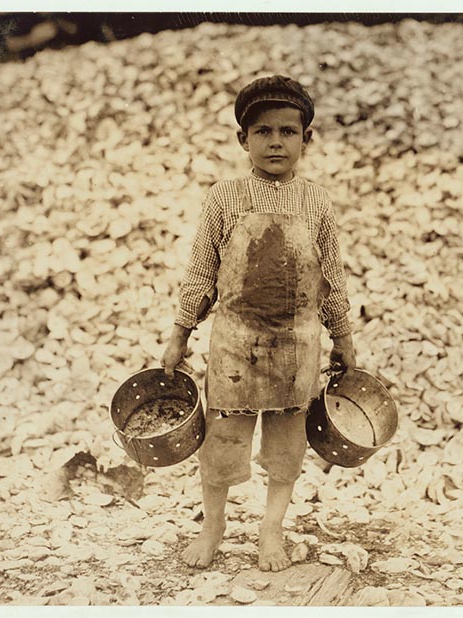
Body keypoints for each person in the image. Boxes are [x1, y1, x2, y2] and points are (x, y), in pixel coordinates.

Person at [161, 75, 356, 572]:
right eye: (263, 131)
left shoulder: (317, 202)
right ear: (242, 139)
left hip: (297, 345)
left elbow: (332, 278)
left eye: (288, 132)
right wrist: (179, 335)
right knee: (222, 441)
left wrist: (345, 340)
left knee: (287, 445)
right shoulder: (225, 197)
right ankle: (214, 526)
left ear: (306, 139)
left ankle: (271, 531)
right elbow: (201, 272)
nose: (276, 142)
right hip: (235, 343)